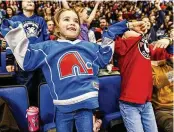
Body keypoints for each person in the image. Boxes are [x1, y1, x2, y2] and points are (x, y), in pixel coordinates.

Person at [1, 7, 146, 132]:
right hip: (62, 108)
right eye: (66, 19)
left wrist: (127, 24)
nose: (72, 23)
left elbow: (106, 47)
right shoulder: (48, 47)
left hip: (86, 107)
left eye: (76, 21)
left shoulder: (89, 47)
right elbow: (26, 60)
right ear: (57, 26)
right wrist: (16, 33)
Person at [114, 29, 173, 132]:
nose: (139, 31)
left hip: (147, 103)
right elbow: (158, 82)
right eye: (133, 29)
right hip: (161, 109)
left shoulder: (166, 64)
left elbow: (165, 50)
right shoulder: (146, 63)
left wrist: (169, 40)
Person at [5, 0, 49, 106]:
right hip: (23, 59)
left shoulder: (40, 20)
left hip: (39, 59)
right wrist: (9, 60)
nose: (30, 1)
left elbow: (46, 40)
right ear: (21, 4)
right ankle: (27, 114)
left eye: (32, 1)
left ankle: (40, 113)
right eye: (27, 0)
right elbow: (11, 41)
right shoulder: (15, 19)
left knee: (41, 87)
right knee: (25, 87)